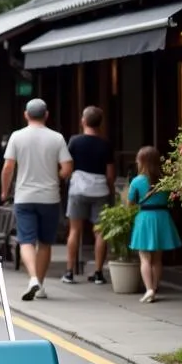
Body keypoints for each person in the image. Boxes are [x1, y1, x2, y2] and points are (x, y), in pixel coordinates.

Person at [0, 98, 72, 302]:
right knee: (45, 243)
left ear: (26, 115)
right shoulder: (57, 138)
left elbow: (8, 168)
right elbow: (67, 168)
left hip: (24, 196)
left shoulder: (17, 136)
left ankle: (32, 278)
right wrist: (54, 177)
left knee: (26, 240)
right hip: (50, 197)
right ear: (46, 115)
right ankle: (39, 284)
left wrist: (5, 191)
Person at [64, 106, 115, 285]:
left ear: (83, 121)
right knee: (100, 232)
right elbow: (110, 174)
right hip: (100, 190)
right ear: (100, 123)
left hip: (78, 188)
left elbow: (67, 167)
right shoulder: (106, 144)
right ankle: (99, 272)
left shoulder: (75, 141)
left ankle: (69, 272)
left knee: (74, 230)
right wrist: (110, 191)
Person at [128, 146, 181, 303]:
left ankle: (149, 289)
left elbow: (130, 203)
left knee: (144, 258)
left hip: (145, 217)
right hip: (162, 217)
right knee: (157, 259)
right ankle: (155, 287)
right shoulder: (165, 179)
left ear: (141, 161)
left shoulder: (137, 181)